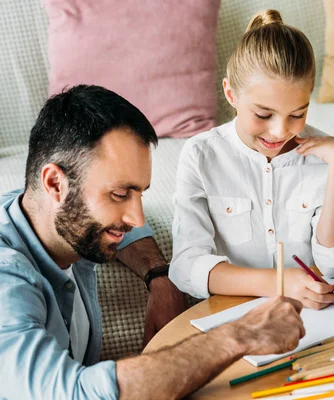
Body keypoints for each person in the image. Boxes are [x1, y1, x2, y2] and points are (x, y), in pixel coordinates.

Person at [0, 85, 306, 399]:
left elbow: (125, 227)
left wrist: (159, 275)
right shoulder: (7, 281)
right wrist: (240, 335)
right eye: (120, 194)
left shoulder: (40, 212)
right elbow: (75, 394)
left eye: (140, 193)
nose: (138, 218)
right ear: (54, 183)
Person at [170, 10, 334, 310]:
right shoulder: (201, 155)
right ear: (231, 94)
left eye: (297, 115)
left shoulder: (324, 156)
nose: (280, 131)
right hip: (234, 317)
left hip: (315, 318)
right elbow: (185, 267)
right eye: (263, 114)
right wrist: (279, 282)